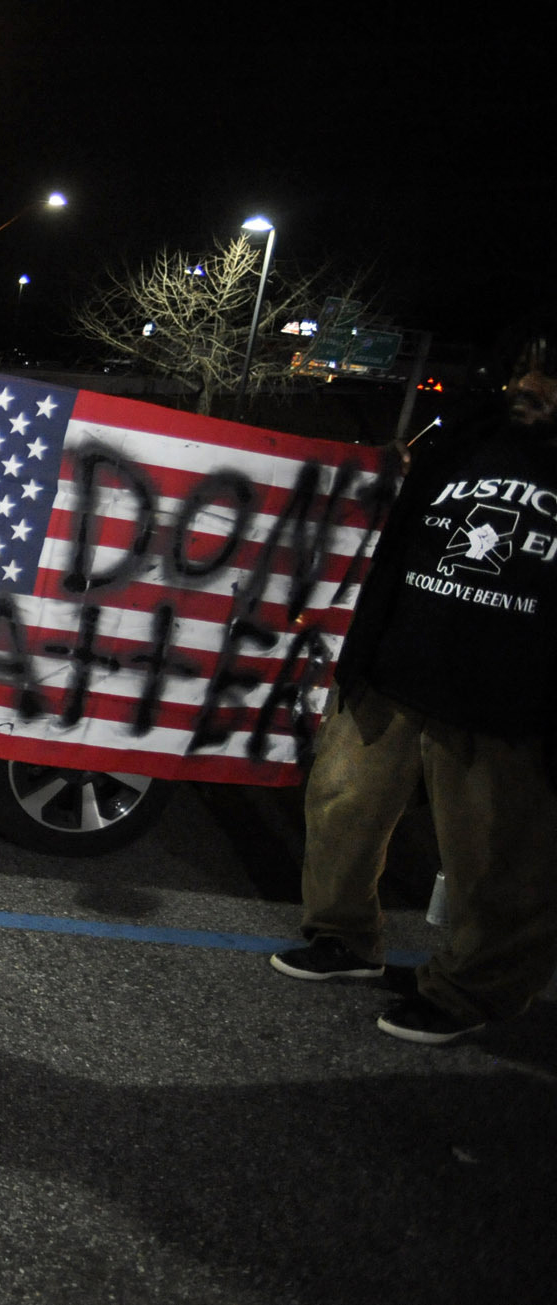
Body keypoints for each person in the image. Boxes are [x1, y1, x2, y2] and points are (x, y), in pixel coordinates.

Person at [269, 319, 557, 1045]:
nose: (531, 385)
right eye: (526, 368)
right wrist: (362, 654)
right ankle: (344, 938)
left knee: (495, 859)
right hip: (395, 668)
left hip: (503, 698)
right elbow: (398, 545)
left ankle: (472, 990)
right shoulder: (464, 439)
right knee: (340, 808)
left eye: (550, 375)